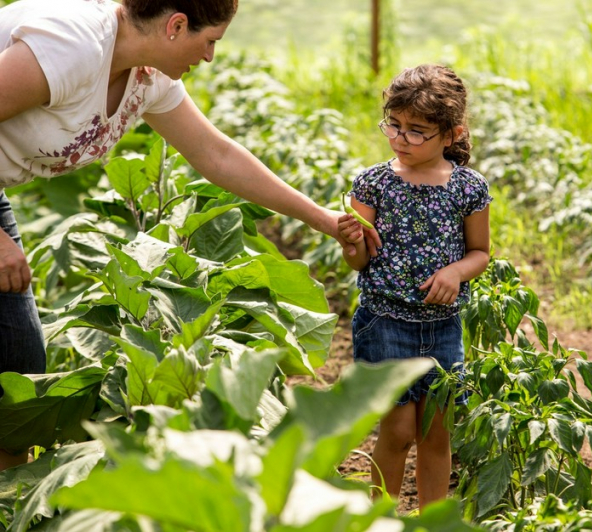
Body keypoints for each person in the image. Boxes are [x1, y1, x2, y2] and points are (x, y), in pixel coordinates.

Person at [0, 0, 379, 471]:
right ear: (176, 26)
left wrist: (322, 218)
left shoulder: (147, 76)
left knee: (16, 365)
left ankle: (9, 498)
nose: (209, 58)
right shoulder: (74, 45)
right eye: (210, 41)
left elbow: (215, 154)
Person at [338, 64, 492, 508]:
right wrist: (351, 244)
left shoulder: (468, 188)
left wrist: (454, 273)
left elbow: (480, 252)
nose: (400, 138)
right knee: (399, 429)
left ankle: (429, 519)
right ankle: (380, 515)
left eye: (417, 130)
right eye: (395, 125)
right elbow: (358, 261)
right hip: (385, 321)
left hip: (443, 325)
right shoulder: (374, 183)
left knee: (436, 433)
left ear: (450, 133)